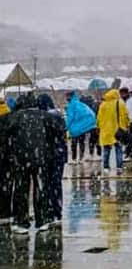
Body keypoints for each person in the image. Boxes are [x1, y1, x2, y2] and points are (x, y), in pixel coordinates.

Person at [4, 94, 53, 234]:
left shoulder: (14, 117)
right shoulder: (44, 116)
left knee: (21, 190)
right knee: (40, 188)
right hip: (40, 158)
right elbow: (58, 129)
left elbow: (5, 133)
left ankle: (21, 222)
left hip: (21, 160)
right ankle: (42, 220)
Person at [37, 94, 66, 228]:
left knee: (47, 184)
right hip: (59, 154)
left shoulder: (43, 117)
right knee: (56, 183)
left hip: (47, 155)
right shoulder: (58, 115)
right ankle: (57, 212)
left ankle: (49, 211)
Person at [96, 89, 130, 175]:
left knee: (106, 149)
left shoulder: (103, 105)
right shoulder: (120, 103)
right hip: (117, 130)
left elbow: (99, 118)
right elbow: (125, 115)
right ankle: (119, 166)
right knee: (118, 148)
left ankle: (106, 167)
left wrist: (98, 127)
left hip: (106, 131)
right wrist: (126, 125)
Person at [65, 91, 97, 165]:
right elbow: (90, 114)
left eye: (67, 96)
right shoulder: (81, 104)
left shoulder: (71, 105)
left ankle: (74, 159)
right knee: (81, 143)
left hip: (75, 128)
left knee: (74, 143)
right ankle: (81, 158)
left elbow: (70, 118)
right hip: (82, 128)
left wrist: (66, 126)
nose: (67, 98)